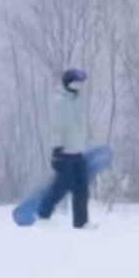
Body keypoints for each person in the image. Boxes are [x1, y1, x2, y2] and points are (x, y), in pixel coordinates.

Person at [37, 67, 90, 228]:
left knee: (82, 189)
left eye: (80, 83)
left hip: (78, 151)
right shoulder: (59, 101)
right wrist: (56, 150)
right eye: (75, 83)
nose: (78, 86)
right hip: (64, 152)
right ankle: (43, 213)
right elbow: (57, 127)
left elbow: (78, 125)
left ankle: (81, 223)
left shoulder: (77, 99)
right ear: (67, 83)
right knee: (61, 187)